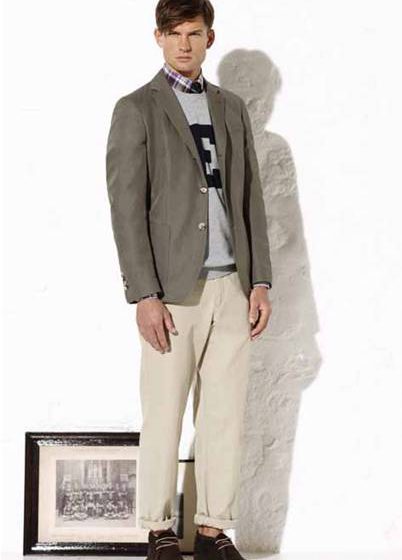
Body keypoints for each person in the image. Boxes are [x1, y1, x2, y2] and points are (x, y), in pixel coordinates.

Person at [105, 1, 272, 558]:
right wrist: (144, 293)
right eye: (173, 33)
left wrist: (261, 280)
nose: (183, 44)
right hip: (173, 294)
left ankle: (213, 530)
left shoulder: (231, 108)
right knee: (164, 413)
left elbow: (250, 197)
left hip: (233, 286)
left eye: (193, 33)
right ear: (158, 37)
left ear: (209, 38)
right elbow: (126, 209)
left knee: (224, 416)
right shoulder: (137, 109)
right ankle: (159, 530)